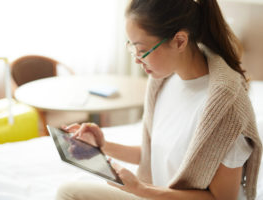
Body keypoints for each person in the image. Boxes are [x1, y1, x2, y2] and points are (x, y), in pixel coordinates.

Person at [56, 0, 262, 199]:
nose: (136, 59)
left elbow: (221, 199)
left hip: (154, 195)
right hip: (155, 194)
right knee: (68, 192)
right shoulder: (164, 81)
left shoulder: (226, 110)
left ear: (180, 41)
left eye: (143, 50)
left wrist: (140, 189)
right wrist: (101, 145)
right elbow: (153, 155)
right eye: (131, 47)